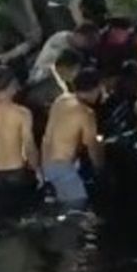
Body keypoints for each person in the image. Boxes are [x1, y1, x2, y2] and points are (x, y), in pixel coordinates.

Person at [40, 69, 105, 210]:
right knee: (77, 207)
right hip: (63, 167)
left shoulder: (61, 100)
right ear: (96, 89)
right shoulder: (86, 113)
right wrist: (102, 171)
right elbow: (92, 147)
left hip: (46, 165)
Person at [0, 66, 38, 218]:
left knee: (0, 218)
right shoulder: (22, 113)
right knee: (19, 217)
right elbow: (29, 146)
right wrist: (38, 170)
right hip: (16, 171)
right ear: (12, 86)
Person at [29, 24, 101, 85]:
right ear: (78, 34)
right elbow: (51, 63)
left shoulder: (83, 53)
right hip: (41, 78)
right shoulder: (60, 40)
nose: (88, 45)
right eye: (88, 40)